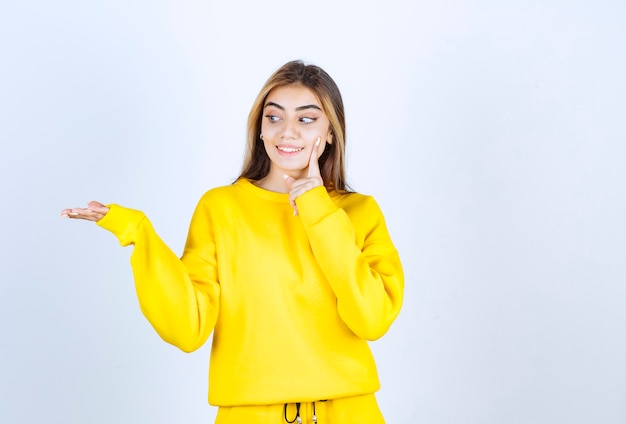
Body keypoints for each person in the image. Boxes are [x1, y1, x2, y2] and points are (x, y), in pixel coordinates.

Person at [61, 60, 404, 424]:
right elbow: (187, 327)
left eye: (306, 119)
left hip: (350, 411)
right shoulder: (221, 208)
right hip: (248, 413)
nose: (287, 132)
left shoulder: (359, 212)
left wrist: (317, 207)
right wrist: (138, 232)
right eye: (274, 118)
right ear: (259, 129)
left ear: (331, 133)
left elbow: (373, 319)